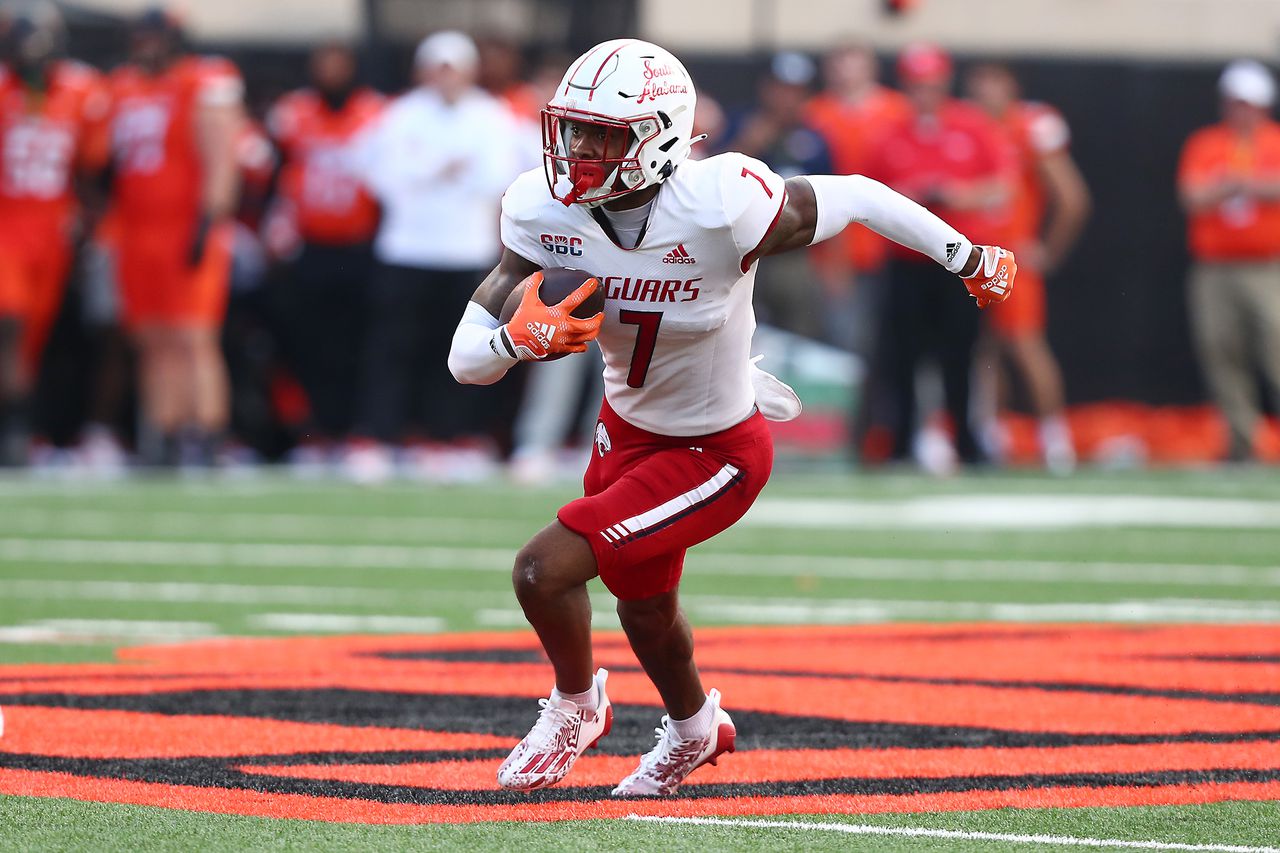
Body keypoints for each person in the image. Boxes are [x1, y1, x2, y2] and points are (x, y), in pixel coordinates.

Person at [448, 38, 1016, 796]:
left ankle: (575, 705)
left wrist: (967, 256)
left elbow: (859, 194)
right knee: (647, 613)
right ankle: (695, 728)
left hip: (716, 450)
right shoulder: (542, 208)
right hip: (624, 433)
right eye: (573, 131)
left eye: (601, 136)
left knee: (540, 571)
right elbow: (464, 359)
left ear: (658, 138)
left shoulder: (720, 202)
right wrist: (516, 340)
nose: (578, 152)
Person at [346, 30, 520, 483]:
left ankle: (453, 437)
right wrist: (440, 169)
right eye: (437, 68)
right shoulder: (399, 115)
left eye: (453, 68)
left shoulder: (491, 115)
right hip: (407, 249)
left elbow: (501, 175)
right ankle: (381, 437)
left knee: (462, 348)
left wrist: (430, 173)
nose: (445, 78)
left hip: (466, 251)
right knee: (394, 347)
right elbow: (377, 172)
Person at [864, 43, 1015, 470]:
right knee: (903, 356)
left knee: (961, 355)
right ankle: (900, 445)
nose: (923, 93)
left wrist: (953, 194)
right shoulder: (889, 133)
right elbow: (866, 195)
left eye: (930, 84)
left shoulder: (973, 127)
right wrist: (909, 201)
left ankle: (966, 444)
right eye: (916, 85)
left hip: (960, 263)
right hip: (907, 262)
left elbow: (1002, 186)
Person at [105, 8, 245, 466]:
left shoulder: (201, 81)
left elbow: (221, 157)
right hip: (136, 230)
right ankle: (161, 434)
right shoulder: (122, 86)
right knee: (150, 337)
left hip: (185, 226)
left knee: (193, 336)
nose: (145, 45)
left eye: (153, 37)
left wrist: (210, 220)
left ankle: (205, 434)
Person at [967, 62, 1090, 473]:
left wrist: (1047, 252)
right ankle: (990, 435)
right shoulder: (968, 127)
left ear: (1012, 86)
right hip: (970, 255)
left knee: (1023, 343)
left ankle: (1055, 439)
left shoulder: (1030, 126)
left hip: (1010, 259)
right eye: (980, 82)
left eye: (994, 81)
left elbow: (1072, 198)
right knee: (985, 350)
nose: (986, 92)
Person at [0, 3, 109, 464]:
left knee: (30, 339)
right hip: (6, 224)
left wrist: (89, 223)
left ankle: (19, 427)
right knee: (8, 322)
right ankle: (14, 429)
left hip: (52, 232)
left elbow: (94, 169)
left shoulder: (81, 91)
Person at [267, 42, 384, 464]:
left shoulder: (375, 113)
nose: (331, 72)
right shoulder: (293, 113)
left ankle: (354, 431)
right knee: (310, 344)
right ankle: (315, 432)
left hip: (358, 246)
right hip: (310, 245)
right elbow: (275, 173)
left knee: (357, 344)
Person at [1177, 60, 1280, 463]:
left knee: (1275, 349)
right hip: (1215, 268)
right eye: (1234, 103)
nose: (1240, 111)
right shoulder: (1207, 143)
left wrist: (1245, 185)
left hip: (1267, 267)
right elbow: (1191, 195)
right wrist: (1230, 188)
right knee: (1221, 351)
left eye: (1248, 104)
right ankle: (1241, 444)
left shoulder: (1274, 141)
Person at [720, 51, 832, 339]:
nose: (786, 98)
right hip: (740, 249)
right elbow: (708, 179)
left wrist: (833, 266)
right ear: (766, 88)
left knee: (801, 332)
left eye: (795, 91)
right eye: (780, 89)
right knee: (738, 332)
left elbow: (834, 202)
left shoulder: (815, 139)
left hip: (796, 252)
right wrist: (748, 143)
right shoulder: (739, 123)